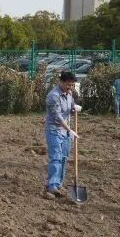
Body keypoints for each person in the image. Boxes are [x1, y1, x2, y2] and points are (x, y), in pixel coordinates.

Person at [43, 71, 79, 199]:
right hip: (54, 130)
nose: (70, 87)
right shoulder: (53, 96)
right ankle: (51, 186)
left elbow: (71, 109)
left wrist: (74, 109)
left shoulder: (69, 94)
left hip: (65, 132)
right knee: (56, 158)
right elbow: (57, 117)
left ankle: (58, 184)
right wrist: (70, 130)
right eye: (68, 84)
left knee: (64, 158)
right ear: (61, 82)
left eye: (72, 85)